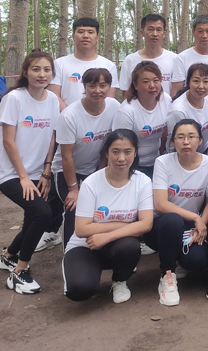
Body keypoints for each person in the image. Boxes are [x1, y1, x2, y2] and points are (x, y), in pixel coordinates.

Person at [0, 50, 59, 294]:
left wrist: (46, 171)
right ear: (25, 72)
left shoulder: (52, 100)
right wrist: (23, 177)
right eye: (36, 69)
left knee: (33, 218)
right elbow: (8, 142)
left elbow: (52, 137)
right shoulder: (14, 99)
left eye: (47, 69)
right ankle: (19, 272)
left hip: (38, 173)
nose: (42, 74)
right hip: (11, 174)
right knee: (43, 213)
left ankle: (9, 255)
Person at [62, 129, 153, 303]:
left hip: (117, 244)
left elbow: (146, 224)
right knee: (79, 290)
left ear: (135, 153)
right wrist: (127, 225)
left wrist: (107, 236)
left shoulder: (142, 181)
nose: (121, 158)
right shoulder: (91, 183)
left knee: (131, 246)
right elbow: (81, 229)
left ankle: (120, 280)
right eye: (115, 152)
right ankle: (88, 269)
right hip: (86, 245)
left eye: (127, 152)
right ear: (106, 153)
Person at [146, 119, 208, 306]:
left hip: (190, 225)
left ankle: (179, 259)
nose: (186, 142)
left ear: (200, 141)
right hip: (162, 225)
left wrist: (200, 224)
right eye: (180, 137)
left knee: (197, 261)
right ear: (172, 142)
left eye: (191, 137)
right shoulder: (163, 162)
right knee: (173, 220)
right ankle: (167, 275)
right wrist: (195, 217)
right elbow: (160, 204)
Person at [52, 68, 120, 247]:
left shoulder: (114, 106)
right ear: (84, 86)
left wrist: (101, 170)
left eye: (103, 85)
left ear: (109, 86)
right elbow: (66, 157)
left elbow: (107, 144)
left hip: (94, 167)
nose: (98, 90)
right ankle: (69, 252)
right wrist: (74, 189)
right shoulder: (69, 116)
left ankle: (98, 248)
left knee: (100, 207)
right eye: (92, 85)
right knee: (74, 208)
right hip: (67, 170)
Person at [112, 61, 172, 179]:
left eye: (156, 80)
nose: (152, 86)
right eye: (146, 82)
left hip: (158, 161)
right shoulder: (127, 111)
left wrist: (162, 153)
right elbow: (120, 144)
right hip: (132, 164)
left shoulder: (166, 100)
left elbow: (166, 130)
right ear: (135, 85)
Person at [48, 17, 118, 111]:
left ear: (97, 37)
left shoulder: (109, 65)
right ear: (73, 36)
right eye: (81, 32)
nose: (85, 36)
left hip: (99, 118)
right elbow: (54, 95)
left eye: (90, 32)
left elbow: (109, 99)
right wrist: (69, 115)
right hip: (66, 116)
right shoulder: (59, 64)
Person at [119, 14, 177, 96]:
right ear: (142, 32)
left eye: (159, 30)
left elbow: (177, 90)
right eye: (150, 29)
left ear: (164, 34)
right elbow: (126, 92)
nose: (155, 34)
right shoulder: (130, 60)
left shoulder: (174, 59)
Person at [171, 15, 208, 97]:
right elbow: (176, 91)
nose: (204, 36)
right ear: (193, 32)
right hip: (190, 104)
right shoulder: (183, 57)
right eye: (200, 31)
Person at [166, 63, 208, 154]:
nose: (201, 86)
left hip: (205, 149)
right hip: (183, 154)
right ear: (188, 82)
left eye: (206, 81)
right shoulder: (178, 111)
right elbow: (175, 143)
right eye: (196, 81)